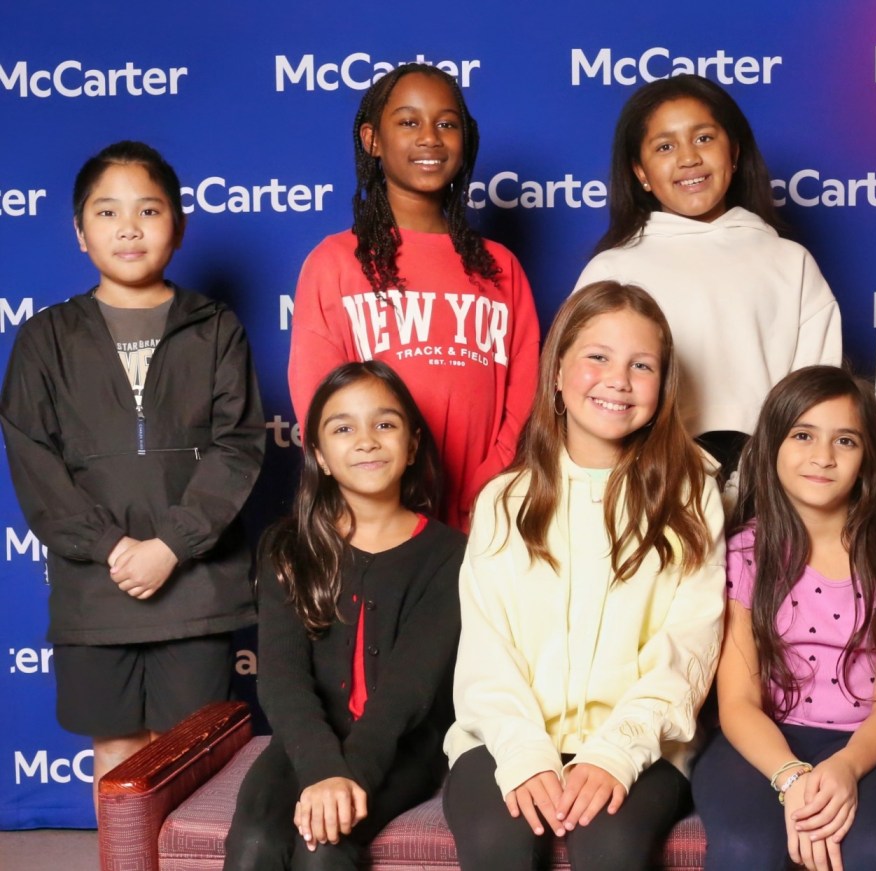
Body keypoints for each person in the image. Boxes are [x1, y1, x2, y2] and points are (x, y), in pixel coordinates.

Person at [0, 141, 265, 806]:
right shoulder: (46, 338)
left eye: (148, 210)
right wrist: (110, 546)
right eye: (107, 211)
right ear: (80, 232)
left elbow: (237, 446)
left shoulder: (216, 329)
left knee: (192, 751)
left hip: (195, 587)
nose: (128, 227)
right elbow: (34, 458)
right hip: (97, 589)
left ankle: (185, 855)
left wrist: (172, 544)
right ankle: (127, 857)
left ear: (178, 226)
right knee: (117, 753)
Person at [443, 281, 726, 871]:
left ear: (663, 386)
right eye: (598, 357)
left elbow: (689, 646)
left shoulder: (690, 494)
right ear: (557, 372)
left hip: (642, 744)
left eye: (641, 365)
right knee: (499, 843)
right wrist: (525, 754)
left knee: (610, 848)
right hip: (506, 736)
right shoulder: (504, 500)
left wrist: (616, 752)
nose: (618, 379)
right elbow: (486, 653)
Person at [224, 361, 465, 870]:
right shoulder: (288, 546)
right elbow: (283, 677)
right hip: (306, 740)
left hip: (399, 747)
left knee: (324, 848)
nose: (366, 441)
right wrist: (320, 769)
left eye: (384, 424)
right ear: (320, 456)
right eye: (343, 429)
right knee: (255, 843)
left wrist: (346, 779)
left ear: (413, 445)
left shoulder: (450, 555)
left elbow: (408, 692)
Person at [691, 365, 876, 871]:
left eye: (845, 440)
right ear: (772, 445)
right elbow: (738, 703)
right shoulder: (745, 552)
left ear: (867, 457)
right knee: (745, 849)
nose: (823, 456)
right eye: (803, 435)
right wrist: (791, 776)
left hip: (868, 745)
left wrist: (846, 767)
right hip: (759, 741)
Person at [288, 62, 540, 529]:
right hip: (377, 519)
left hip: (486, 515)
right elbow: (319, 403)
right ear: (372, 140)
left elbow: (526, 397)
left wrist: (488, 488)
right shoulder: (334, 263)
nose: (430, 137)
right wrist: (380, 501)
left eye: (447, 124)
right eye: (408, 122)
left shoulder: (500, 266)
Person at [575, 74, 841, 476]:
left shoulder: (791, 263)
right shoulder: (612, 270)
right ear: (640, 172)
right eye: (665, 146)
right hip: (650, 486)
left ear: (734, 152)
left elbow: (817, 397)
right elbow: (590, 402)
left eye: (703, 138)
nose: (688, 158)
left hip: (768, 487)